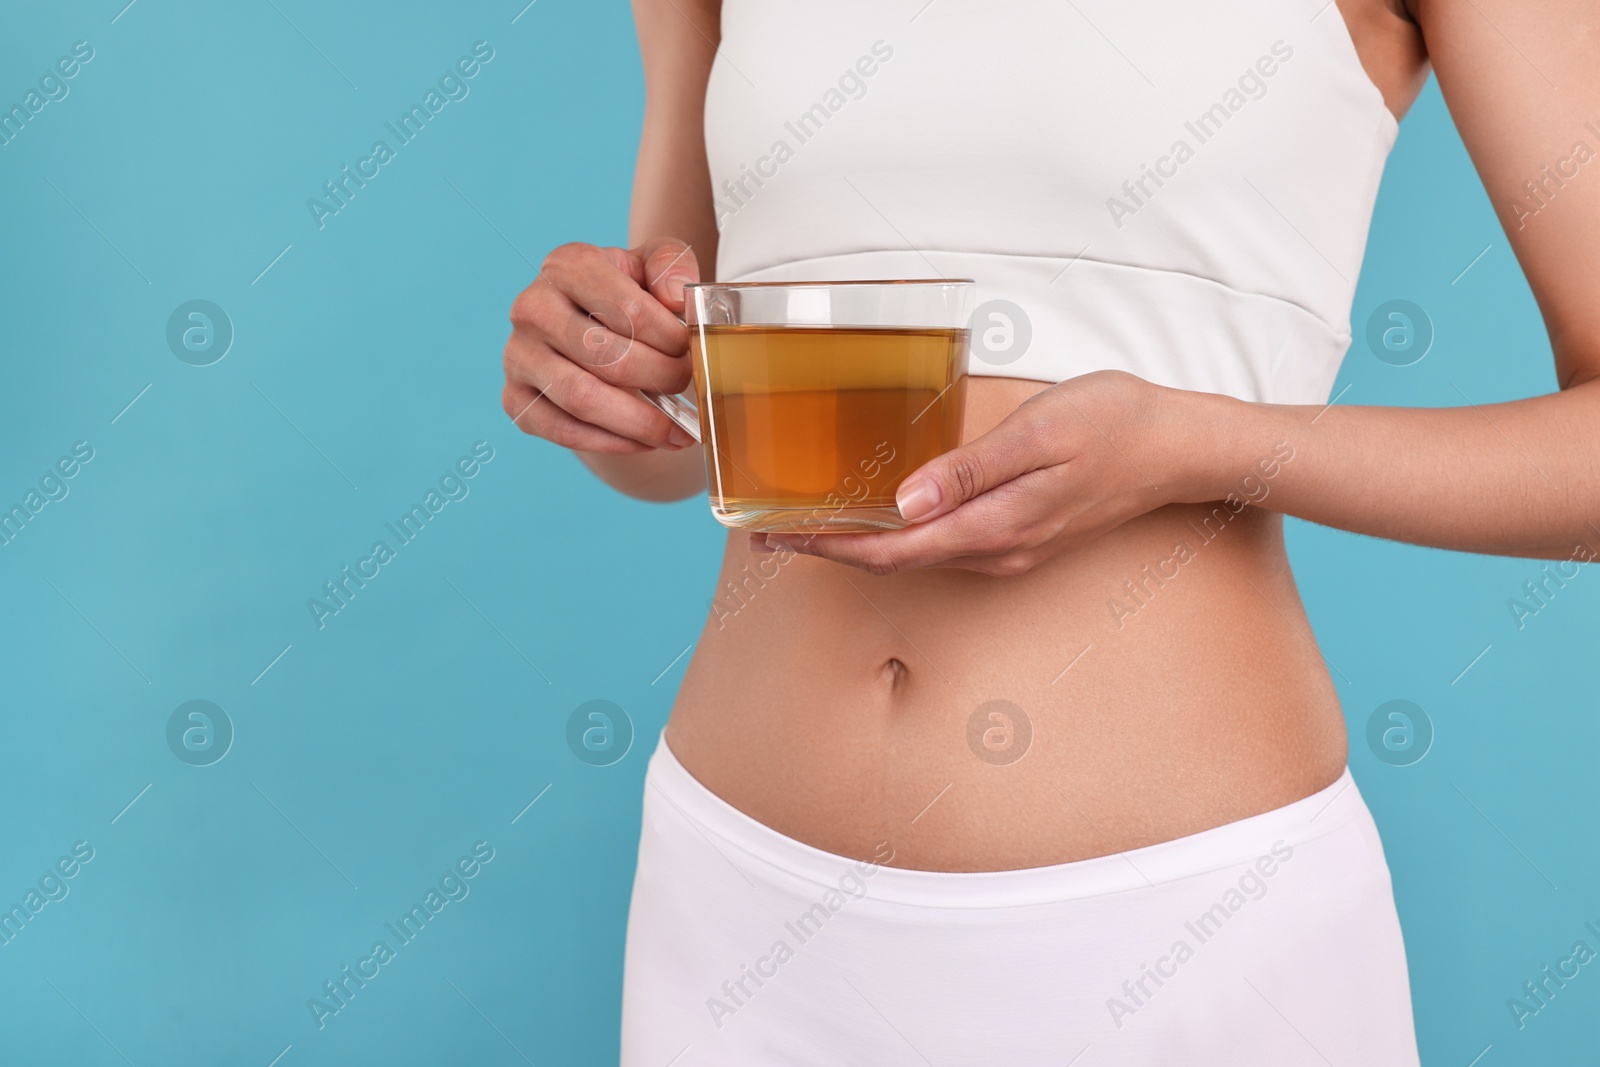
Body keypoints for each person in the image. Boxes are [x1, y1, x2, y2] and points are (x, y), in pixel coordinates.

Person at [501, 0, 1598, 1061]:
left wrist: (1195, 444)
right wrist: (599, 371)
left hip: (1187, 928)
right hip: (738, 904)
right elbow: (683, 428)